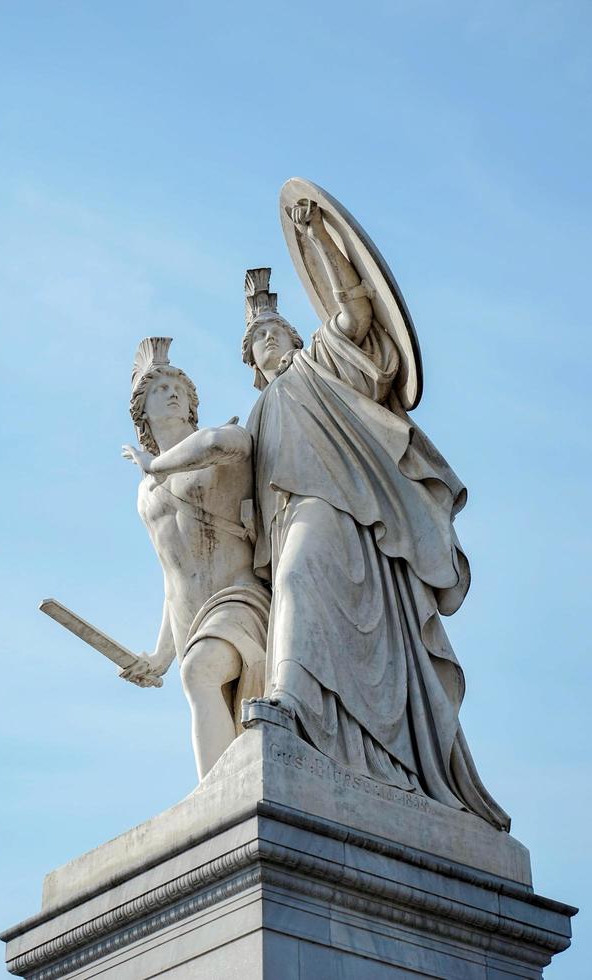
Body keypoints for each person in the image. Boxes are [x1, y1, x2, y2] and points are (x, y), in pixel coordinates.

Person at [241, 200, 509, 830]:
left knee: (302, 580)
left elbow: (353, 312)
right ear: (251, 362)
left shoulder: (319, 366)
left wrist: (318, 239)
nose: (271, 343)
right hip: (287, 525)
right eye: (258, 342)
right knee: (295, 589)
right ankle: (328, 732)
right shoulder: (256, 415)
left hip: (344, 518)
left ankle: (289, 702)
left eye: (277, 333)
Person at [121, 337, 269, 779]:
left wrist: (157, 466)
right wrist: (160, 654)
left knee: (200, 672)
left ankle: (217, 799)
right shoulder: (145, 495)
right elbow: (173, 574)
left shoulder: (214, 443)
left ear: (191, 405)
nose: (170, 392)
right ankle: (225, 807)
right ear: (142, 412)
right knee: (208, 692)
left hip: (238, 594)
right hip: (188, 616)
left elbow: (233, 443)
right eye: (157, 389)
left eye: (179, 389)